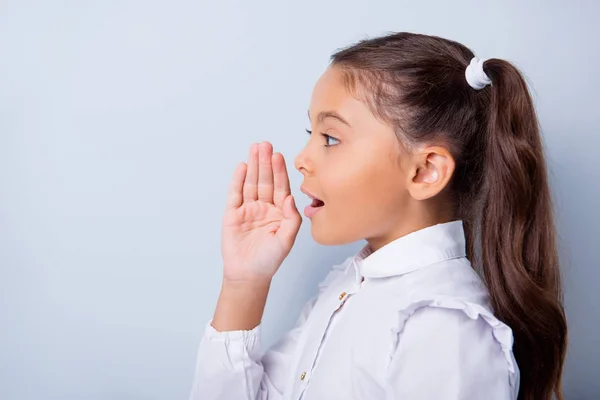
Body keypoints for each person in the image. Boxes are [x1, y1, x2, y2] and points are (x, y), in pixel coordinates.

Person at [188, 32, 567, 400]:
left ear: (424, 171)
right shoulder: (347, 289)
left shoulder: (442, 331)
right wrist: (244, 283)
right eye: (310, 131)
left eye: (331, 138)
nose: (302, 160)